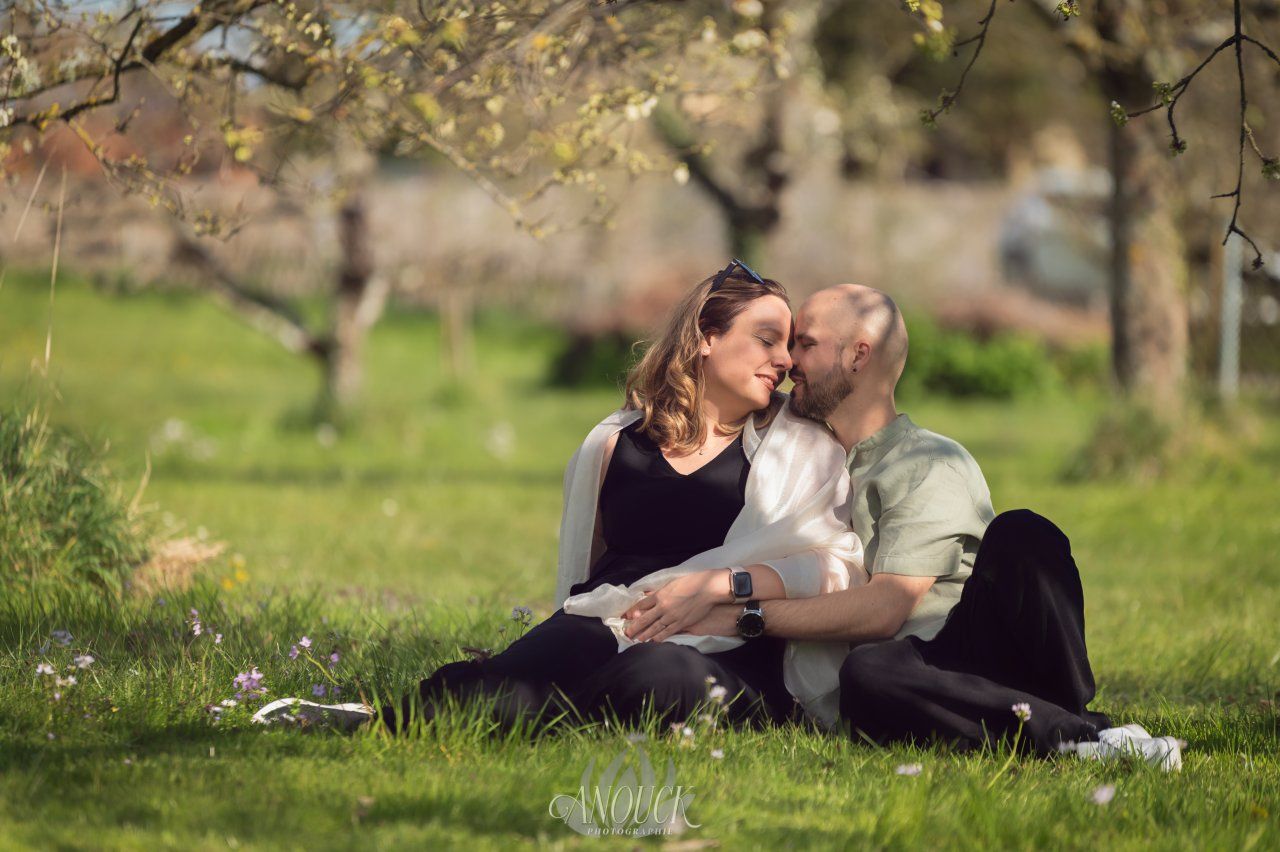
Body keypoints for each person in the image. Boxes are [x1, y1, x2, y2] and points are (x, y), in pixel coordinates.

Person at [252, 262, 863, 733]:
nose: (784, 361)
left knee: (658, 677)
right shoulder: (615, 443)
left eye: (789, 346)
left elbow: (837, 565)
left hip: (728, 650)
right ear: (706, 337)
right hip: (613, 623)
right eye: (766, 340)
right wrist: (589, 630)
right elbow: (584, 574)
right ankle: (392, 718)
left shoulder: (804, 450)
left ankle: (514, 709)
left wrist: (719, 585)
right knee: (550, 655)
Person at [664, 283, 1179, 766]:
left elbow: (887, 609)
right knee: (867, 675)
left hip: (965, 653)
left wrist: (742, 615)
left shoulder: (926, 462)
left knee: (1022, 534)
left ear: (858, 355)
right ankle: (1067, 734)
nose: (788, 362)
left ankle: (1083, 729)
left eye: (806, 344)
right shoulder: (799, 455)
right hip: (899, 678)